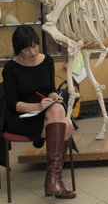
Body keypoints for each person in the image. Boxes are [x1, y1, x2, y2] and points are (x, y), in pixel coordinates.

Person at [2, 25, 76, 199]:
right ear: (18, 50)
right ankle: (54, 180)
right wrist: (38, 107)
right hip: (22, 117)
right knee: (66, 125)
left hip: (46, 112)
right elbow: (13, 104)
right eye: (27, 49)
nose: (33, 52)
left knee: (57, 108)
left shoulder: (47, 60)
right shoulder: (11, 69)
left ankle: (52, 180)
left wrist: (54, 97)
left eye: (35, 46)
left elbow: (50, 88)